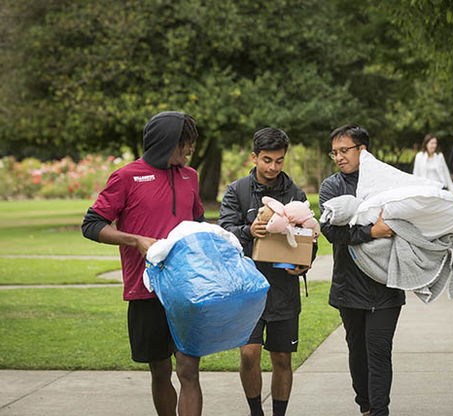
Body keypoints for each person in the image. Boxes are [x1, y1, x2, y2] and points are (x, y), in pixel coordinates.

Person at [81, 111, 205, 416]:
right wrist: (134, 240)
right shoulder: (126, 177)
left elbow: (199, 221)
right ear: (166, 142)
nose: (190, 150)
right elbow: (92, 224)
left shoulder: (191, 176)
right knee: (160, 370)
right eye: (185, 144)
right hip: (145, 291)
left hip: (187, 291)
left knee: (189, 370)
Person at [218, 127, 315, 416]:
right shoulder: (238, 191)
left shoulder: (294, 193)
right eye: (267, 160)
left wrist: (305, 261)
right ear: (254, 157)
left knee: (282, 358)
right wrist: (249, 230)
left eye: (279, 160)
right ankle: (255, 412)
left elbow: (308, 238)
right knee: (249, 354)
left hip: (283, 290)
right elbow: (224, 233)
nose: (273, 167)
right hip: (247, 290)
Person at [319, 124, 405, 416]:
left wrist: (381, 229)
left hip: (386, 283)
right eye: (335, 153)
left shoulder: (387, 182)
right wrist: (372, 231)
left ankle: (380, 411)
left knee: (379, 351)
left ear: (362, 150)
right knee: (357, 351)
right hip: (349, 286)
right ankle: (366, 406)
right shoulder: (331, 186)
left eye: (345, 150)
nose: (339, 157)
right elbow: (332, 232)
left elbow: (402, 222)